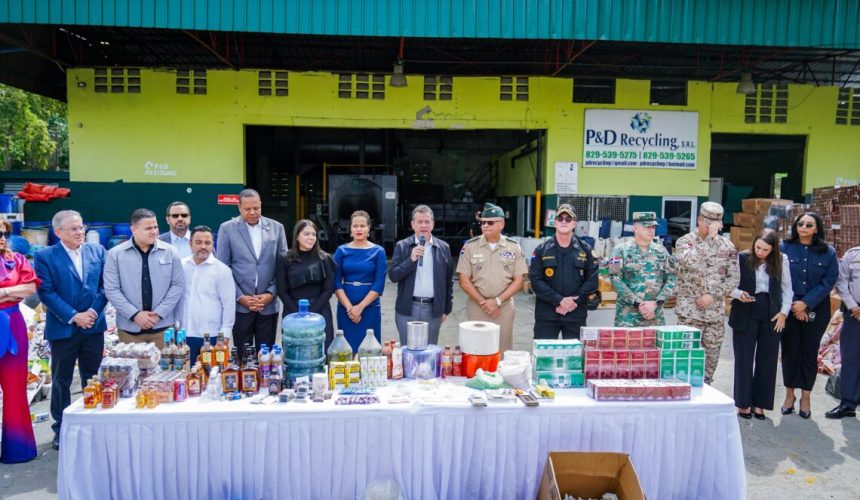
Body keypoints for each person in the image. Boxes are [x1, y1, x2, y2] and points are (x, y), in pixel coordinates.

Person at [34, 210, 107, 451]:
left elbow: (104, 287)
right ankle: (61, 427)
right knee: (61, 379)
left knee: (93, 377)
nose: (80, 232)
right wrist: (74, 316)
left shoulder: (97, 251)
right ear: (58, 232)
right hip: (63, 328)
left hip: (93, 327)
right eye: (73, 228)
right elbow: (46, 293)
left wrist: (92, 314)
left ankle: (92, 423)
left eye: (81, 227)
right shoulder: (45, 257)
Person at [728, 230, 792, 420]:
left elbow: (787, 289)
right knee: (744, 359)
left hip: (771, 311)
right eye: (758, 248)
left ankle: (761, 405)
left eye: (765, 249)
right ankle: (743, 403)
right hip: (745, 310)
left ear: (773, 250)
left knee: (768, 360)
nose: (760, 252)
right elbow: (727, 284)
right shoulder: (742, 258)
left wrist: (784, 313)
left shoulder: (782, 260)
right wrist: (739, 294)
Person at [780, 212, 838, 419]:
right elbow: (779, 277)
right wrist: (795, 304)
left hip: (816, 309)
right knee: (789, 352)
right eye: (800, 223)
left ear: (817, 229)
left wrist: (806, 304)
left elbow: (829, 281)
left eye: (809, 224)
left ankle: (805, 396)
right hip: (789, 308)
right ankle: (789, 395)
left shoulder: (828, 252)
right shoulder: (784, 248)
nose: (803, 227)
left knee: (808, 353)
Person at [674, 202, 740, 384]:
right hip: (689, 315)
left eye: (715, 224)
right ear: (699, 220)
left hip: (714, 316)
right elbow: (689, 262)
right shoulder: (685, 242)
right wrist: (709, 241)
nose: (711, 228)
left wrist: (714, 295)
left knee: (709, 367)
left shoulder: (728, 246)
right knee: (683, 365)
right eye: (707, 223)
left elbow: (734, 278)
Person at [216, 188, 287, 353]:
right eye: (248, 209)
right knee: (242, 355)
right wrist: (240, 297)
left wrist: (271, 293)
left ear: (261, 205)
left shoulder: (277, 228)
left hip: (267, 305)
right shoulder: (227, 228)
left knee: (266, 355)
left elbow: (282, 266)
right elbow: (223, 268)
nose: (253, 212)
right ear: (239, 208)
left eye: (257, 208)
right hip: (241, 306)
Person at [104, 208, 184, 350]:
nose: (154, 231)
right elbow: (112, 289)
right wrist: (135, 315)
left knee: (165, 371)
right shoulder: (115, 254)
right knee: (131, 371)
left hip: (163, 329)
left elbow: (177, 285)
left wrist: (159, 314)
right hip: (129, 331)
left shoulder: (170, 252)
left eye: (155, 227)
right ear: (133, 229)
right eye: (148, 228)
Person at [457, 202, 528, 353]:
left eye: (490, 222)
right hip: (477, 306)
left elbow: (519, 280)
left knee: (501, 349)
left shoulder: (513, 247)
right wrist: (485, 303)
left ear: (501, 224)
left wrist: (497, 302)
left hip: (503, 308)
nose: (485, 226)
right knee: (475, 349)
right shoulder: (470, 246)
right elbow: (464, 280)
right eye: (482, 222)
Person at [0, 218, 41, 463]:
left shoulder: (17, 260)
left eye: (4, 233)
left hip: (12, 326)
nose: (2, 238)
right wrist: (12, 290)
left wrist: (3, 292)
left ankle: (18, 449)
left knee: (15, 389)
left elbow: (29, 289)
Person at [529, 204, 598, 340]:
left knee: (575, 357)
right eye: (560, 218)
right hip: (547, 314)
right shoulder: (541, 250)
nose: (564, 221)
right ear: (554, 223)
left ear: (574, 223)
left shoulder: (586, 250)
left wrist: (572, 302)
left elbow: (592, 281)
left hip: (575, 313)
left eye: (568, 218)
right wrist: (559, 300)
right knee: (545, 356)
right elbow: (536, 281)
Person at [389, 205, 454, 346]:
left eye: (427, 221)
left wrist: (446, 309)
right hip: (407, 308)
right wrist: (410, 260)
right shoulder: (402, 246)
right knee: (407, 351)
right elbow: (393, 276)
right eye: (419, 222)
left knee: (429, 352)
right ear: (412, 224)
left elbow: (449, 281)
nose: (423, 225)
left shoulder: (443, 248)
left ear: (433, 224)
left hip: (433, 309)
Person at [606, 212, 676, 327]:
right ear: (636, 228)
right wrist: (638, 302)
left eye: (653, 227)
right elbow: (614, 278)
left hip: (655, 316)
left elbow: (672, 278)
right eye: (647, 227)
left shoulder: (662, 251)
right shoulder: (618, 251)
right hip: (627, 318)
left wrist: (656, 303)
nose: (651, 230)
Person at [178, 225, 235, 364]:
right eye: (198, 242)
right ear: (190, 244)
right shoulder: (180, 266)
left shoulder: (222, 270)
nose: (203, 246)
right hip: (184, 335)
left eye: (207, 243)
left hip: (212, 336)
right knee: (187, 378)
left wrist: (225, 335)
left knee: (212, 378)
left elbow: (228, 304)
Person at [276, 219, 336, 348]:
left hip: (320, 309)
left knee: (321, 350)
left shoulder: (325, 258)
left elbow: (328, 290)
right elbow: (281, 290)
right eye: (306, 234)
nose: (311, 238)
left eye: (314, 234)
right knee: (295, 351)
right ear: (297, 236)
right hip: (293, 309)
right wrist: (298, 315)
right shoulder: (284, 258)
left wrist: (312, 314)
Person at [333, 211, 387, 351]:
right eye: (355, 226)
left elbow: (379, 283)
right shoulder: (341, 251)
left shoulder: (378, 251)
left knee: (370, 350)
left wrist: (360, 307)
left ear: (368, 228)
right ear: (350, 228)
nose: (358, 229)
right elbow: (336, 282)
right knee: (346, 349)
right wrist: (350, 308)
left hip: (370, 308)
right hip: (346, 309)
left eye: (362, 225)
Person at [826, 245, 860, 419]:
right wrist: (853, 307)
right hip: (855, 313)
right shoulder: (853, 254)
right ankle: (848, 404)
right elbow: (842, 281)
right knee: (851, 359)